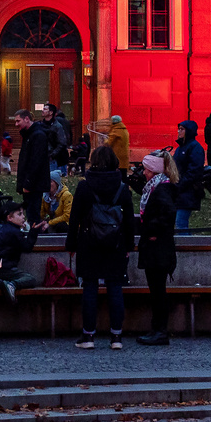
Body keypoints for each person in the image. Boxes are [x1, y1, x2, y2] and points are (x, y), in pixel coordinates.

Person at [66, 145, 135, 349]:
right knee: (115, 287)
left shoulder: (84, 186)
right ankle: (116, 337)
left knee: (89, 287)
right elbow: (129, 220)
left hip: (89, 242)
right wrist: (129, 245)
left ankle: (88, 336)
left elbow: (74, 217)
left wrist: (71, 243)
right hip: (115, 244)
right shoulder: (122, 187)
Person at [135, 151, 179, 346]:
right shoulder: (157, 188)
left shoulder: (161, 190)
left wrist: (152, 231)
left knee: (158, 292)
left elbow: (167, 216)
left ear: (153, 171)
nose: (144, 173)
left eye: (146, 169)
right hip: (157, 249)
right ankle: (157, 329)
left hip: (158, 249)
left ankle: (160, 331)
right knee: (156, 291)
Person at [0, 200, 40, 304]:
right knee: (30, 279)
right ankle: (12, 285)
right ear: (9, 218)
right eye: (19, 214)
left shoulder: (4, 229)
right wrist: (33, 231)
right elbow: (27, 247)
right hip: (4, 267)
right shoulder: (13, 232)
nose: (23, 217)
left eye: (23, 213)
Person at [14, 110, 52, 224]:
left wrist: (28, 183)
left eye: (18, 121)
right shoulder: (29, 135)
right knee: (30, 211)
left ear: (26, 119)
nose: (16, 124)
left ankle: (34, 237)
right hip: (30, 183)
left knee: (33, 212)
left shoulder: (37, 135)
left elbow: (36, 162)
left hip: (33, 184)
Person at [172, 120, 206, 232]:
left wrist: (180, 184)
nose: (179, 132)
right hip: (178, 191)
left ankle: (186, 247)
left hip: (188, 191)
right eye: (179, 129)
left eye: (182, 129)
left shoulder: (195, 147)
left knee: (181, 224)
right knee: (178, 224)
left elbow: (194, 171)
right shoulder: (180, 148)